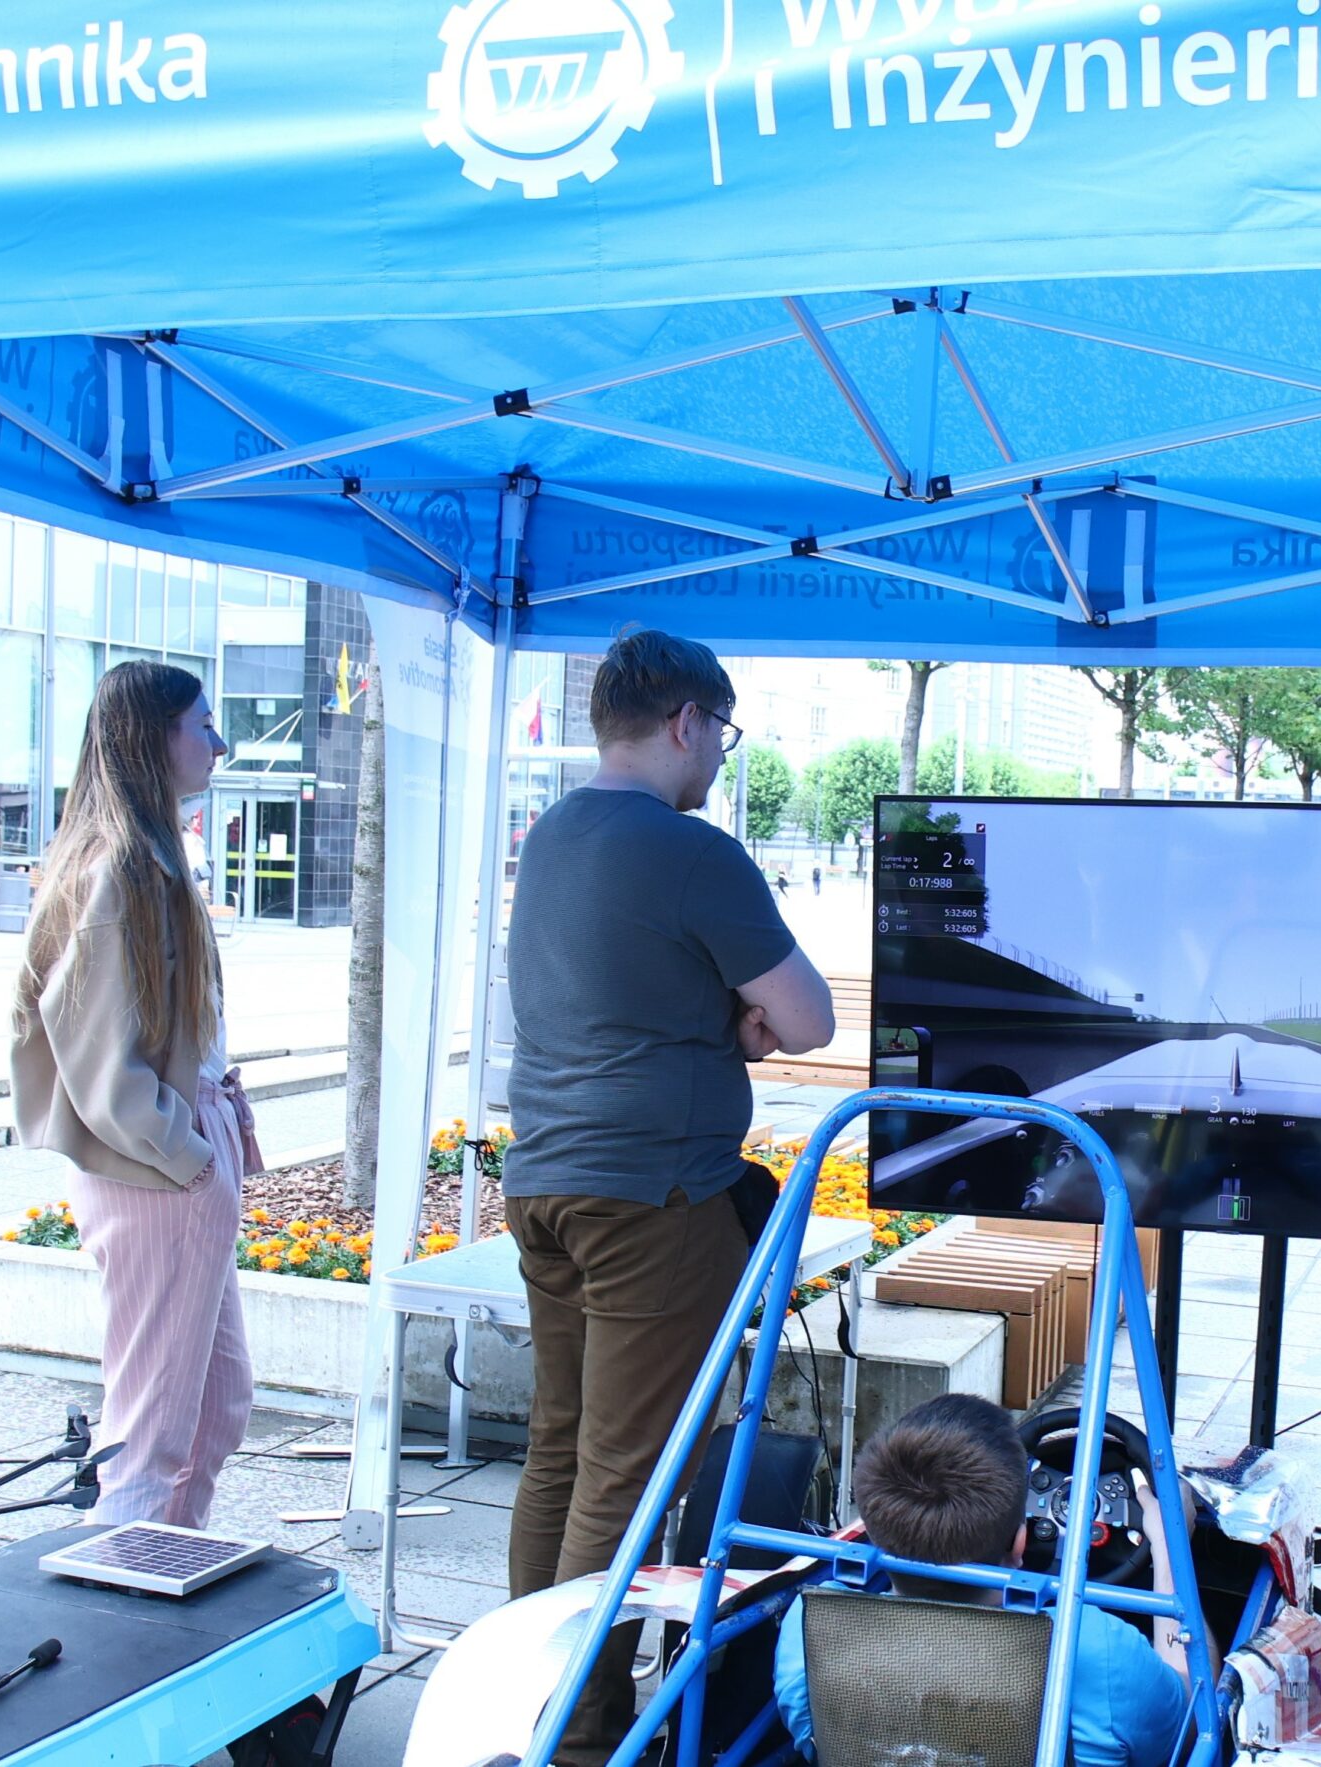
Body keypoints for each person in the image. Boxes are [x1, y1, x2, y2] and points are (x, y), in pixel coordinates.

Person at [503, 629, 834, 1764]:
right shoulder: (693, 851)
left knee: (559, 1450)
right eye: (722, 734)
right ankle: (581, 1735)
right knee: (628, 1475)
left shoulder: (553, 834)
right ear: (688, 721)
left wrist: (713, 1017)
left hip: (546, 1182)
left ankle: (524, 1699)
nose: (719, 757)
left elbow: (625, 993)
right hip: (654, 1195)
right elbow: (809, 1021)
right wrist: (740, 1021)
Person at [12, 661, 256, 1529]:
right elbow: (94, 1055)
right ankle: (124, 1584)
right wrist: (188, 1155)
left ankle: (156, 1571)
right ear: (156, 737)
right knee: (150, 1438)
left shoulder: (143, 855)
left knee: (214, 1409)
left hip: (175, 1154)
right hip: (157, 1166)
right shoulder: (120, 867)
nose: (218, 743)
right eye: (203, 724)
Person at [772, 1395, 1186, 1767]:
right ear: (1020, 1541)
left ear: (875, 1528)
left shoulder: (810, 1630)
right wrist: (1169, 1552)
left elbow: (812, 1745)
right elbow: (1189, 1723)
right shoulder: (1095, 1647)